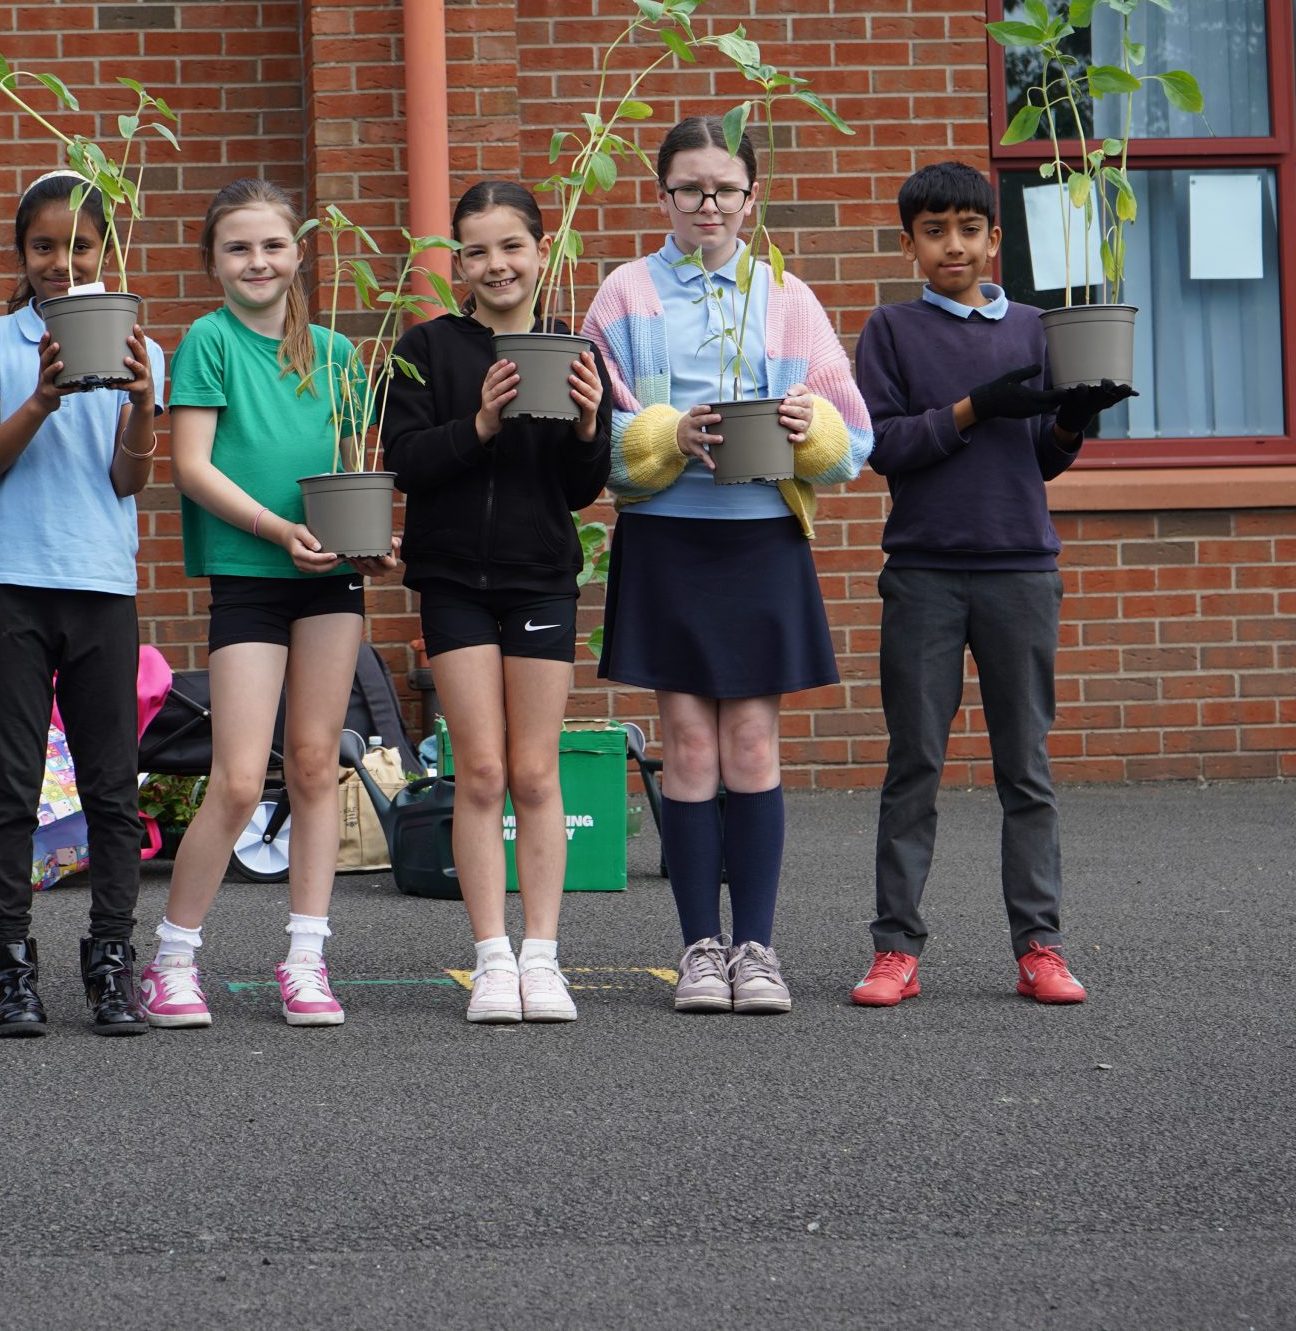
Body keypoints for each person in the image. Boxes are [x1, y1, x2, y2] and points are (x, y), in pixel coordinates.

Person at [583, 117, 871, 1016]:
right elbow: (596, 437)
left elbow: (851, 436)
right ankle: (698, 950)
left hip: (759, 539)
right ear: (660, 193)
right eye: (688, 188)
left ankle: (758, 948)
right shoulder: (624, 293)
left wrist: (806, 426)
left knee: (751, 740)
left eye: (725, 189)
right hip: (670, 538)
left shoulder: (787, 294)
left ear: (753, 196)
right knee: (691, 746)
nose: (707, 204)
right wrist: (671, 433)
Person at [847, 160, 1134, 1009]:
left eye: (969, 230)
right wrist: (977, 406)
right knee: (915, 766)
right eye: (934, 231)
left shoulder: (1035, 327)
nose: (953, 245)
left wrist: (1073, 419)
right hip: (925, 574)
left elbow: (1040, 456)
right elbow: (885, 448)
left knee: (1027, 768)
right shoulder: (891, 330)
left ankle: (1039, 945)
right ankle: (895, 948)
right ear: (908, 244)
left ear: (995, 238)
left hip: (1020, 571)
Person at [140, 178, 390, 1028]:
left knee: (319, 764)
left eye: (273, 244)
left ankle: (307, 960)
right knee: (241, 778)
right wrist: (278, 530)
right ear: (214, 262)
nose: (258, 260)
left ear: (299, 253)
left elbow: (360, 472)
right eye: (239, 247)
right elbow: (192, 467)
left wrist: (377, 542)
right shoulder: (207, 341)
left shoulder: (340, 355)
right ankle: (172, 957)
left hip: (331, 581)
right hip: (252, 574)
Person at [383, 180, 611, 1025]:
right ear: (458, 263)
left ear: (540, 250)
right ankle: (490, 957)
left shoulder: (573, 347)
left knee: (535, 770)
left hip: (541, 577)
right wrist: (478, 423)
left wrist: (592, 427)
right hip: (452, 582)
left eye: (511, 246)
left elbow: (584, 490)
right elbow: (404, 460)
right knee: (478, 772)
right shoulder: (427, 348)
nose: (495, 264)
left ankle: (543, 957)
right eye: (476, 250)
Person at [0, 172, 164, 1038]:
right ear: (21, 253)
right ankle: (11, 965)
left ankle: (110, 961)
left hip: (102, 587)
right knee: (10, 785)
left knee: (113, 789)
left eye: (78, 245)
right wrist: (41, 396)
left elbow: (129, 477)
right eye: (43, 245)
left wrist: (143, 405)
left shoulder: (137, 346)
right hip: (10, 585)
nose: (59, 261)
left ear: (103, 253)